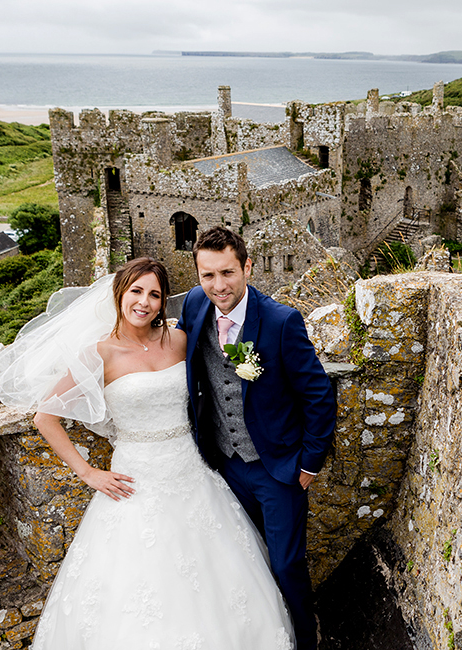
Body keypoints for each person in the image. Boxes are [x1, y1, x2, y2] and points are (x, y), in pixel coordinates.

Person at [0, 258, 295, 650]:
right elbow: (46, 418)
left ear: (163, 303)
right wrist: (89, 472)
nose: (144, 302)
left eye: (155, 295)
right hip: (135, 481)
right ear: (119, 294)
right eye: (136, 292)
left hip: (192, 473)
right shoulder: (99, 354)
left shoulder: (178, 339)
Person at [178, 227, 336, 650]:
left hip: (277, 468)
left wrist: (308, 464)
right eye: (207, 275)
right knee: (239, 561)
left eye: (227, 273)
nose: (218, 286)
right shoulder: (194, 306)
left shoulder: (281, 322)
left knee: (285, 564)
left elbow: (318, 394)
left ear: (246, 266)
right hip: (222, 463)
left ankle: (307, 638)